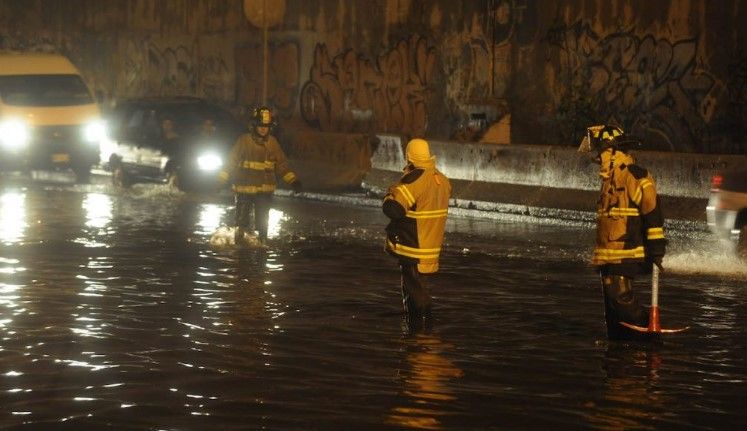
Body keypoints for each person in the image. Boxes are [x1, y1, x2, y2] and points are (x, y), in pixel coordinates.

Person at [578, 125, 666, 341]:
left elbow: (652, 212)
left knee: (621, 300)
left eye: (600, 152)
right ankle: (619, 349)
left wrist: (656, 248)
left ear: (612, 151)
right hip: (608, 255)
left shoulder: (635, 176)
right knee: (612, 310)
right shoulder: (609, 179)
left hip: (626, 252)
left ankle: (649, 337)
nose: (597, 158)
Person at [383, 138, 451, 326]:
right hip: (430, 247)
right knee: (419, 289)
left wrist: (389, 194)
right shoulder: (441, 180)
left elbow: (393, 209)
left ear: (409, 157)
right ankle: (422, 330)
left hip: (413, 247)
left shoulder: (415, 179)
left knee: (415, 294)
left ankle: (420, 331)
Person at [218, 106, 301, 244]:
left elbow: (282, 165)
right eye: (260, 126)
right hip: (244, 188)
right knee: (241, 222)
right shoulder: (244, 141)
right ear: (254, 125)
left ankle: (261, 244)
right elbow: (230, 162)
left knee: (263, 222)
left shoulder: (272, 143)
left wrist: (293, 181)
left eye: (266, 126)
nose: (263, 129)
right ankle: (239, 245)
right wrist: (221, 180)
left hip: (264, 191)